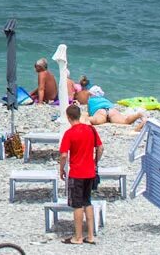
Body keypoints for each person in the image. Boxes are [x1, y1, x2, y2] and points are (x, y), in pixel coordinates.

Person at [57, 103, 102, 245]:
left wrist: (61, 169)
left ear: (69, 117)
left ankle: (78, 237)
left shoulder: (69, 133)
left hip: (77, 172)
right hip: (90, 172)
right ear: (80, 115)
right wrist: (95, 161)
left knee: (77, 205)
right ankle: (90, 235)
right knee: (87, 202)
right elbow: (100, 148)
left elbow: (64, 155)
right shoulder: (91, 129)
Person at [75, 78, 146, 128]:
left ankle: (88, 128)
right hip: (111, 110)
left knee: (90, 119)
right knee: (125, 121)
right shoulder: (105, 100)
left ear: (91, 95)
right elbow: (112, 106)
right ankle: (138, 115)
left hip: (100, 112)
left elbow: (90, 112)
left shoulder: (90, 100)